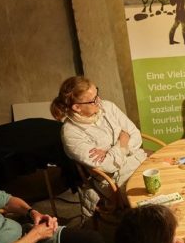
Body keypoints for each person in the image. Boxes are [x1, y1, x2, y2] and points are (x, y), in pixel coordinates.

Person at [51, 76, 146, 216]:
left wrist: (110, 151)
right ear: (77, 107)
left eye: (97, 94)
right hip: (115, 180)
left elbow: (136, 135)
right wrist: (123, 140)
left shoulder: (108, 106)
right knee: (151, 203)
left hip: (139, 161)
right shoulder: (70, 133)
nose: (99, 101)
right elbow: (109, 166)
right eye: (93, 100)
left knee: (173, 184)